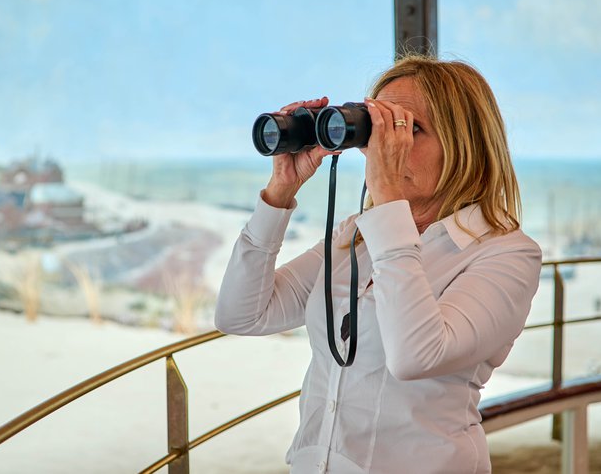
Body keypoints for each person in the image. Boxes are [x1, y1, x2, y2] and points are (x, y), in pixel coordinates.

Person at [215, 54, 542, 474]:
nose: (389, 147)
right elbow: (241, 314)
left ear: (465, 144)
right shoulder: (357, 236)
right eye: (382, 129)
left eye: (411, 129)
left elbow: (415, 357)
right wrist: (280, 192)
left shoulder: (506, 254)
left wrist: (387, 200)